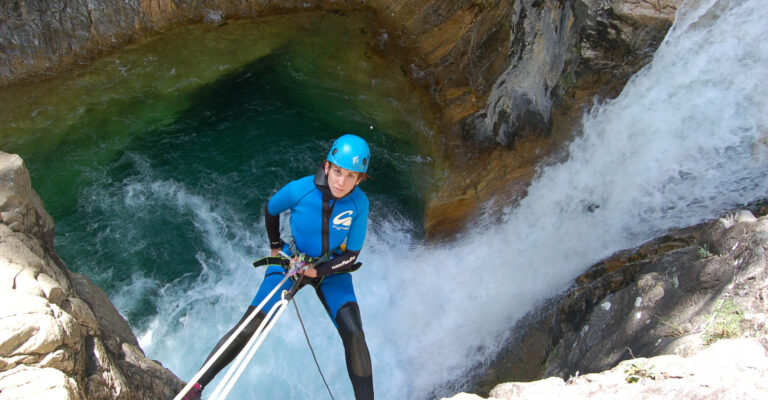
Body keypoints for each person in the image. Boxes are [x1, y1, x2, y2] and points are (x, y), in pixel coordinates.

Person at [183, 134, 374, 400]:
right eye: (338, 172)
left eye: (351, 176)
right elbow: (271, 209)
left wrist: (317, 272)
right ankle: (196, 387)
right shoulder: (301, 189)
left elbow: (351, 254)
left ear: (359, 179)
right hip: (293, 260)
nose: (341, 182)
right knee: (251, 324)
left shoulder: (359, 204)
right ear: (327, 166)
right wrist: (275, 245)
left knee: (354, 331)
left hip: (330, 267)